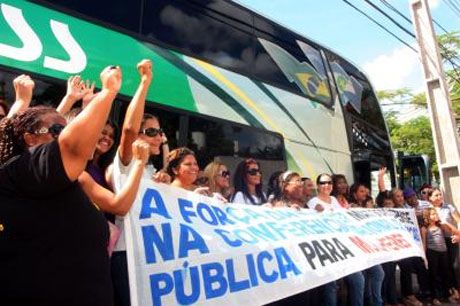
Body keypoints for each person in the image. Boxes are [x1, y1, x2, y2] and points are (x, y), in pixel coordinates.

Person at [0, 65, 121, 305]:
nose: (66, 133)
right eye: (58, 129)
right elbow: (72, 146)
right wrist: (108, 93)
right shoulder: (21, 171)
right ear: (30, 139)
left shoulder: (56, 181)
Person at [421, 207, 459, 305]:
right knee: (433, 275)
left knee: (445, 273)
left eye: (435, 214)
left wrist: (446, 222)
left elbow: (455, 231)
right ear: (427, 217)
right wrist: (424, 257)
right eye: (432, 214)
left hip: (443, 252)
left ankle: (447, 295)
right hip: (432, 252)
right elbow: (424, 244)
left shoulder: (441, 226)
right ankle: (434, 297)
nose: (435, 216)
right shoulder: (425, 228)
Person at [428, 187, 460, 295]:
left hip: (451, 239)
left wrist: (458, 235)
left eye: (440, 194)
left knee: (455, 265)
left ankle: (457, 289)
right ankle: (449, 291)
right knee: (444, 268)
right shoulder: (429, 209)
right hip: (437, 242)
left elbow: (459, 221)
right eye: (436, 195)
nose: (439, 197)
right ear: (430, 198)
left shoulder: (448, 207)